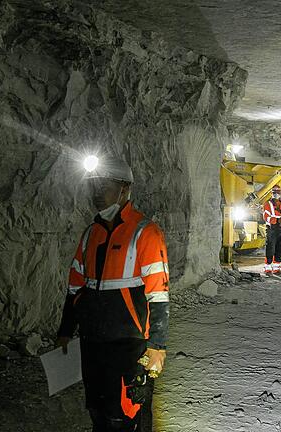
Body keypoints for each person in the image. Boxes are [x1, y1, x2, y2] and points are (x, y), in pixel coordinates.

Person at [56, 156, 170, 431]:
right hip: (93, 341)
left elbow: (159, 295)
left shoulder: (145, 233)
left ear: (124, 189)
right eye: (93, 186)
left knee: (127, 414)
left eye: (103, 186)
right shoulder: (90, 234)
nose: (96, 194)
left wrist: (157, 345)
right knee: (98, 409)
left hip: (129, 344)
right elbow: (75, 287)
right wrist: (66, 330)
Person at [262, 185, 281, 274]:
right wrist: (277, 220)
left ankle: (276, 267)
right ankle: (267, 267)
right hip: (272, 228)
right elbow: (266, 217)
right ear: (272, 193)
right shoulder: (268, 203)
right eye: (274, 192)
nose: (276, 194)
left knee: (279, 248)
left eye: (278, 192)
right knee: (270, 247)